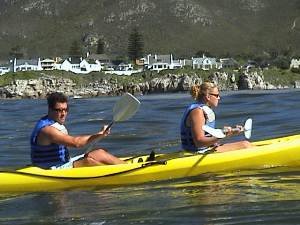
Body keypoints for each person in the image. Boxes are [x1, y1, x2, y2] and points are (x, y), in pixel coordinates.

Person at [30, 92, 125, 169]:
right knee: (88, 162)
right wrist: (99, 134)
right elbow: (76, 143)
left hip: (63, 163)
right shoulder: (47, 130)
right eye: (59, 110)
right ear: (50, 109)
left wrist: (99, 135)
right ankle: (121, 176)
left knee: (100, 153)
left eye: (65, 110)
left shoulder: (53, 122)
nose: (63, 114)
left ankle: (127, 167)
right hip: (49, 169)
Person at [180, 82, 251, 153]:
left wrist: (231, 131)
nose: (219, 98)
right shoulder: (197, 112)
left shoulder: (203, 109)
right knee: (245, 145)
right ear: (208, 96)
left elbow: (207, 135)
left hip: (205, 149)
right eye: (216, 95)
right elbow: (199, 142)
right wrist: (224, 135)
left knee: (246, 144)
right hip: (196, 153)